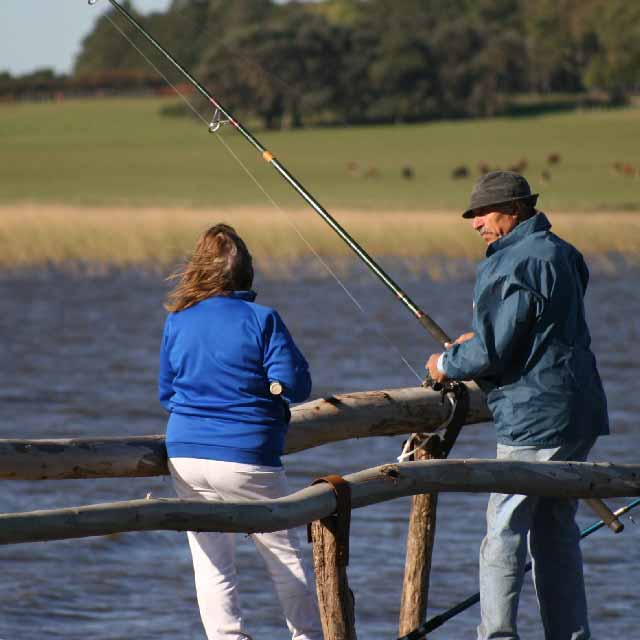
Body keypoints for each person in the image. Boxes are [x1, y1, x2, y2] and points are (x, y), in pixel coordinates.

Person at [426, 171, 608, 640]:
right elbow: (536, 329)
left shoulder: (514, 262)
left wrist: (447, 362)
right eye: (473, 215)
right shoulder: (563, 252)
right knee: (555, 532)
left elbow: (492, 351)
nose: (475, 224)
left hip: (535, 417)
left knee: (504, 530)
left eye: (483, 213)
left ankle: (497, 636)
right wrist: (479, 341)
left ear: (515, 210)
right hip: (578, 409)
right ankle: (569, 633)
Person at [158, 223, 322, 640]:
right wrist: (269, 389)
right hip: (248, 457)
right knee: (283, 555)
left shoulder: (178, 321)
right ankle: (306, 636)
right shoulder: (262, 319)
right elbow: (297, 385)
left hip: (186, 455)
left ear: (198, 270)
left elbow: (167, 391)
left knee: (211, 560)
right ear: (247, 272)